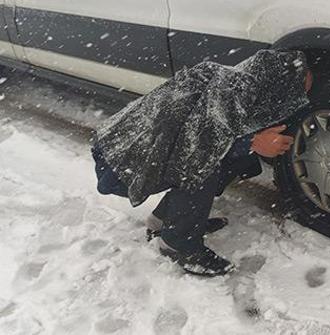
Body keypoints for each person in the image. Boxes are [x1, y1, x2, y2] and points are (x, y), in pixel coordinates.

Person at [91, 50, 312, 277]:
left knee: (227, 159)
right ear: (279, 85)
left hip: (137, 152)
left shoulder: (241, 82)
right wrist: (254, 143)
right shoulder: (231, 91)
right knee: (203, 165)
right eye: (296, 93)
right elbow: (195, 145)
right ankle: (178, 244)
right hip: (121, 163)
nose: (295, 101)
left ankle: (166, 220)